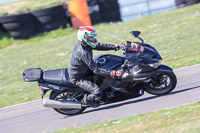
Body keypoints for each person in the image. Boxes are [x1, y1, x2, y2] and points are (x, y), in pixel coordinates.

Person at [68, 26, 125, 107]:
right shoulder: (83, 52)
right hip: (79, 78)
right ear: (84, 37)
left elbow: (99, 46)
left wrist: (117, 46)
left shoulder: (85, 43)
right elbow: (96, 70)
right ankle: (86, 101)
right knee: (97, 92)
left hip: (85, 70)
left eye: (93, 37)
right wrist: (113, 73)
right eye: (91, 37)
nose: (93, 39)